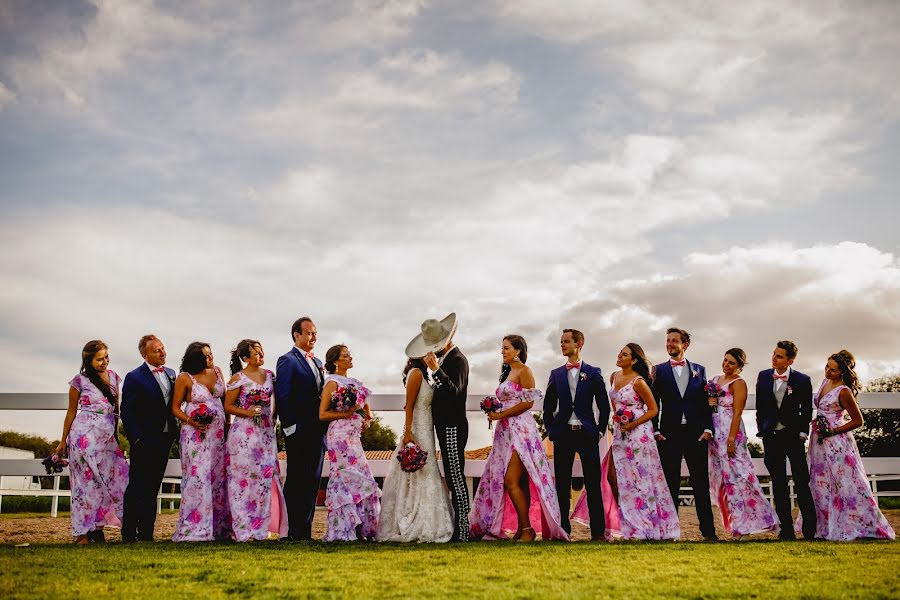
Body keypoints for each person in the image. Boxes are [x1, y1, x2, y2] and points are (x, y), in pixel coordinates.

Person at [469, 335, 568, 542]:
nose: (502, 352)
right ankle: (522, 529)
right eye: (502, 348)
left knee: (510, 480)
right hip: (504, 433)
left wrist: (501, 414)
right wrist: (494, 409)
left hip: (521, 431)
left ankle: (527, 528)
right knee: (520, 482)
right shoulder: (507, 373)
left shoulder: (525, 371)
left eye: (506, 348)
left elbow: (528, 404)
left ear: (518, 350)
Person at [797, 350, 895, 540]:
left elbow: (859, 421)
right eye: (827, 367)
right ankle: (824, 529)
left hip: (837, 443)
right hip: (819, 443)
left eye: (833, 370)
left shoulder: (844, 391)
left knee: (846, 484)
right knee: (820, 484)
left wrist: (833, 430)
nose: (827, 372)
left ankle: (860, 525)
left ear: (842, 372)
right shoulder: (826, 382)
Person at [594, 344, 679, 540]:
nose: (619, 355)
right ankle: (629, 522)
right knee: (614, 477)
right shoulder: (614, 377)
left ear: (633, 360)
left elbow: (653, 409)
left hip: (639, 434)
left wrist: (633, 423)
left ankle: (646, 526)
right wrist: (618, 419)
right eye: (620, 353)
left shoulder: (639, 382)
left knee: (641, 478)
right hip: (619, 433)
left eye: (624, 354)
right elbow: (615, 405)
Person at [55, 340, 129, 544]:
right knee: (85, 486)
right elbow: (71, 412)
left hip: (106, 440)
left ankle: (98, 528)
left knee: (115, 481)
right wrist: (63, 441)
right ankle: (82, 533)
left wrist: (117, 437)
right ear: (88, 361)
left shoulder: (114, 377)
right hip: (83, 437)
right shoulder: (79, 381)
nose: (104, 362)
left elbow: (116, 410)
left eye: (106, 357)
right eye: (99, 359)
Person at [542, 328, 611, 540]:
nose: (562, 345)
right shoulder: (556, 374)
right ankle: (563, 531)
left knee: (593, 483)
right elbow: (548, 407)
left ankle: (598, 533)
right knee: (561, 484)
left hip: (587, 434)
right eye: (561, 342)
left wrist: (599, 431)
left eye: (566, 341)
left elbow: (604, 405)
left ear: (578, 343)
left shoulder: (593, 372)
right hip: (563, 435)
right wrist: (551, 431)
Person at [376, 356, 454, 542]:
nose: (432, 357)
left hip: (427, 428)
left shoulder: (425, 375)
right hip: (418, 429)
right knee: (419, 471)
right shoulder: (416, 373)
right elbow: (409, 406)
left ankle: (428, 519)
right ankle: (413, 518)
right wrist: (408, 433)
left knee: (428, 470)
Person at [651, 327, 717, 540]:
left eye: (674, 341)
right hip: (669, 435)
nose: (669, 344)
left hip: (696, 434)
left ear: (685, 345)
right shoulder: (658, 371)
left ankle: (708, 532)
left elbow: (706, 402)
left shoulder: (700, 370)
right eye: (667, 341)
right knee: (670, 484)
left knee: (700, 484)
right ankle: (671, 532)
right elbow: (654, 402)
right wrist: (657, 430)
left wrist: (708, 429)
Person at [707, 348, 779, 539]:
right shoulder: (714, 381)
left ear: (739, 366)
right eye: (725, 360)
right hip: (715, 435)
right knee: (724, 480)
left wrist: (731, 439)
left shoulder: (739, 383)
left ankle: (748, 525)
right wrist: (710, 401)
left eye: (731, 362)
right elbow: (709, 406)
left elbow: (738, 413)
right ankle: (735, 524)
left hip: (731, 433)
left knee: (740, 477)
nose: (726, 365)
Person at [412, 313, 472, 542]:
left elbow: (455, 392)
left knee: (456, 476)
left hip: (453, 426)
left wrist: (436, 370)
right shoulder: (447, 360)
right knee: (451, 474)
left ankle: (463, 530)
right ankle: (459, 527)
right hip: (444, 425)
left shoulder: (458, 360)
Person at [224, 339, 288, 542]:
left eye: (261, 351)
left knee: (264, 481)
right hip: (243, 435)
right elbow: (228, 406)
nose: (261, 355)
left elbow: (277, 402)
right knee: (243, 482)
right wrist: (248, 412)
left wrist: (274, 420)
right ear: (245, 358)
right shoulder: (238, 378)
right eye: (256, 353)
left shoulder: (270, 376)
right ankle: (243, 529)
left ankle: (261, 529)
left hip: (266, 435)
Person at [319, 344, 381, 541]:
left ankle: (362, 528)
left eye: (350, 354)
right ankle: (342, 529)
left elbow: (363, 404)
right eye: (346, 355)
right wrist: (347, 413)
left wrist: (367, 417)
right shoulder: (332, 383)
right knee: (346, 478)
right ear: (336, 361)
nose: (350, 358)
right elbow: (322, 414)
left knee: (362, 475)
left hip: (355, 438)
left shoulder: (355, 382)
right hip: (339, 438)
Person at [754, 340, 816, 540]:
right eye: (773, 354)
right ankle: (786, 531)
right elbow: (760, 407)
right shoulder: (763, 376)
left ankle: (809, 531)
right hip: (771, 437)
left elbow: (806, 410)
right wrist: (762, 430)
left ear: (790, 360)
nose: (774, 358)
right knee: (778, 484)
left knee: (802, 483)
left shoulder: (802, 380)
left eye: (779, 356)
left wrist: (802, 434)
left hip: (793, 438)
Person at [171, 342, 231, 541]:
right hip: (195, 435)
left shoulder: (217, 371)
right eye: (205, 355)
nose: (210, 357)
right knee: (198, 478)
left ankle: (219, 528)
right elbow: (175, 407)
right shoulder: (185, 378)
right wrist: (192, 421)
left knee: (217, 477)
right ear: (195, 359)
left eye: (211, 353)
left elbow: (224, 402)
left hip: (218, 434)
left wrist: (228, 427)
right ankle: (195, 527)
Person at [121, 334, 177, 542]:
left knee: (154, 487)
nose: (162, 352)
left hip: (165, 439)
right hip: (144, 440)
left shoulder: (171, 373)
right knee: (137, 486)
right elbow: (127, 411)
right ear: (145, 354)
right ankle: (128, 532)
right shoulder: (134, 377)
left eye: (163, 348)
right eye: (156, 350)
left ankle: (146, 533)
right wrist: (136, 439)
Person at [274, 316, 325, 541]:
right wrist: (289, 427)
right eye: (309, 333)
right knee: (296, 480)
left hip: (318, 431)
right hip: (298, 430)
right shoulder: (287, 360)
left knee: (313, 481)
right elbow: (283, 396)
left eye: (315, 333)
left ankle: (305, 530)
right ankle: (290, 530)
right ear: (297, 335)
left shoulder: (319, 363)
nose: (314, 337)